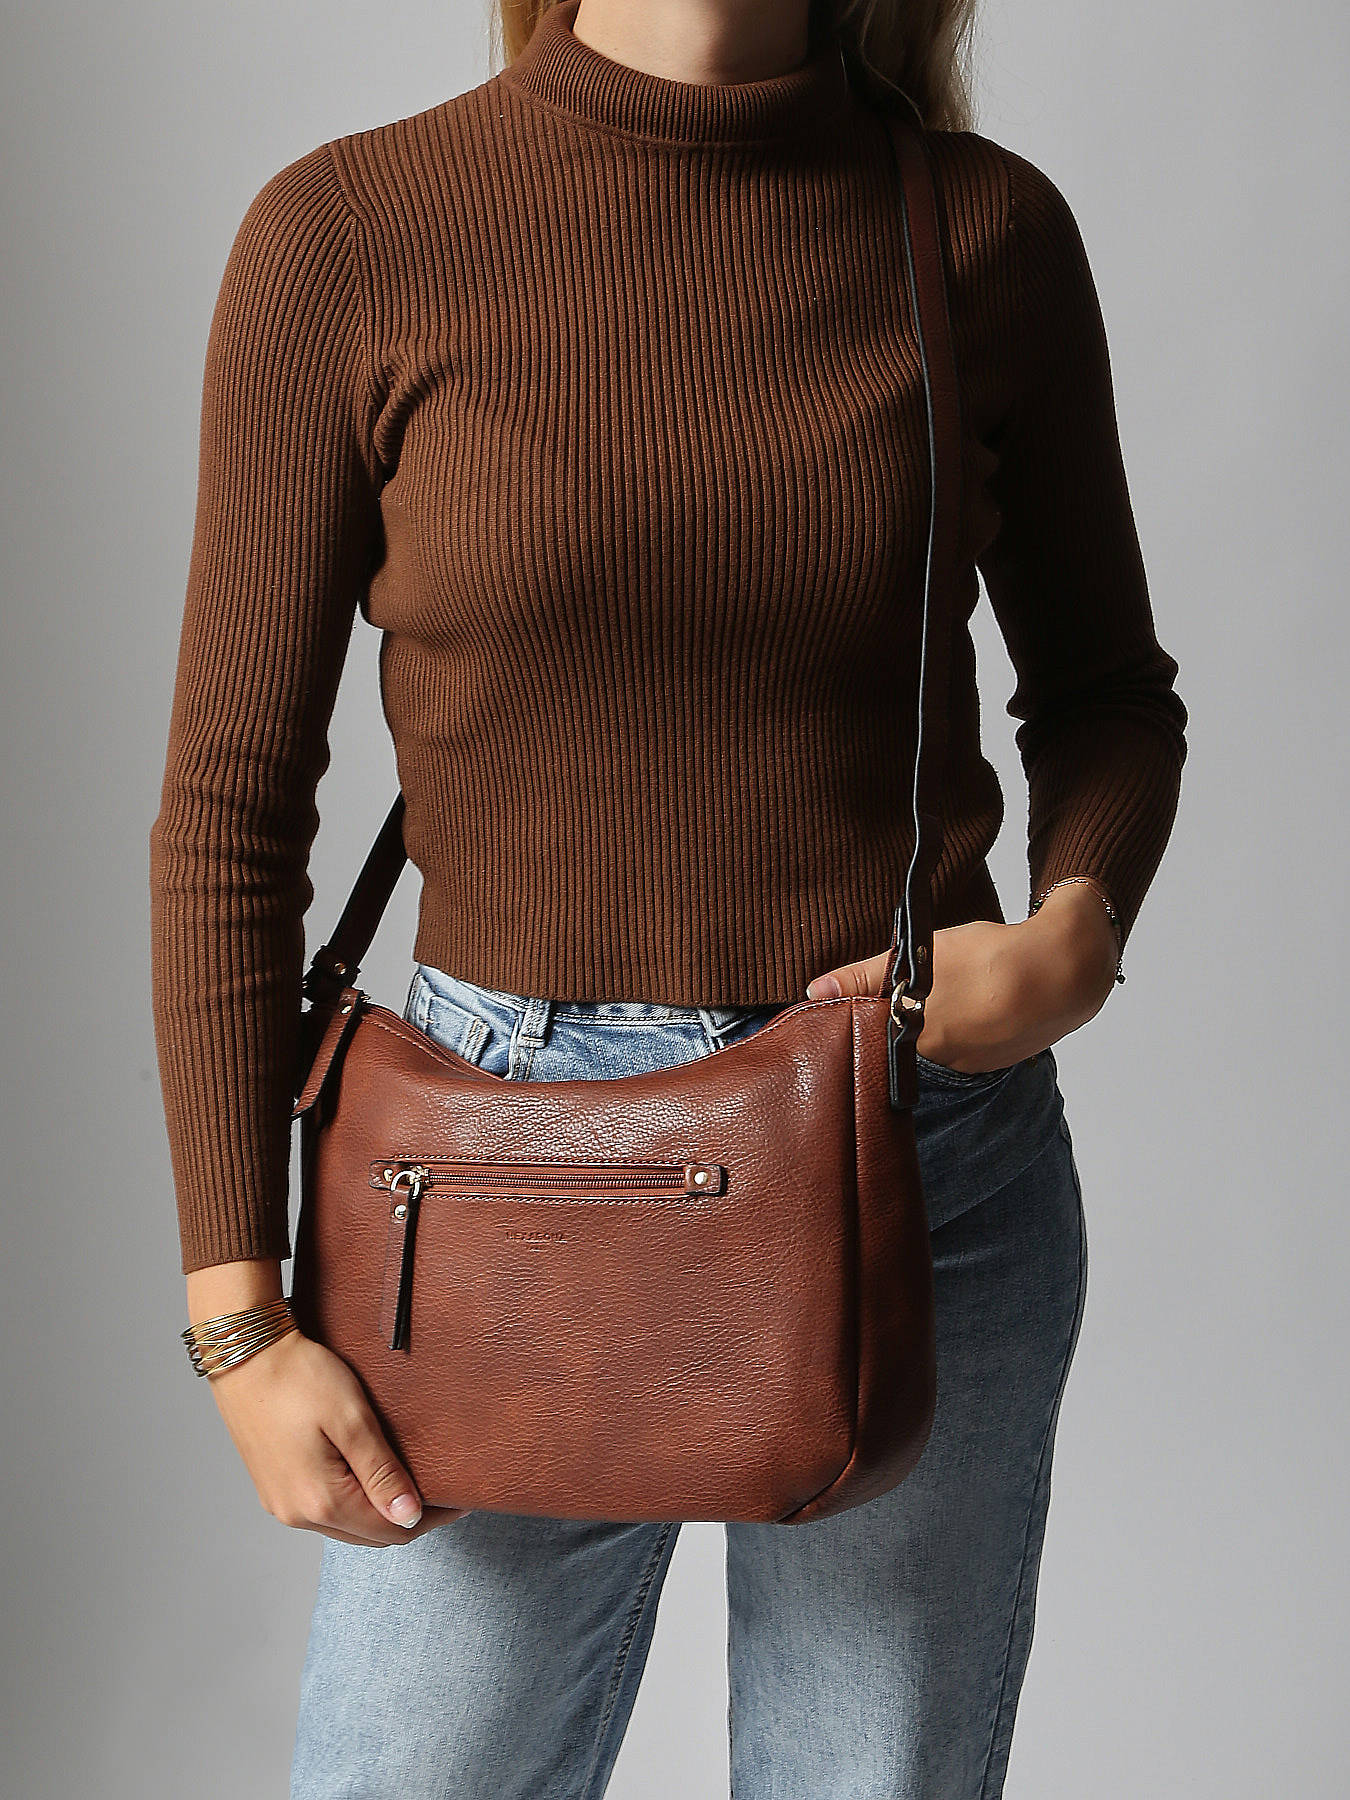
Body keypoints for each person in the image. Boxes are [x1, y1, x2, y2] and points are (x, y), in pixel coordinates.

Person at [147, 0, 1188, 1793]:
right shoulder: (349, 233)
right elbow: (230, 816)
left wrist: (1073, 936)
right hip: (497, 1177)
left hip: (916, 1156)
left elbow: (1105, 693)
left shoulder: (980, 228)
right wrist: (238, 1320)